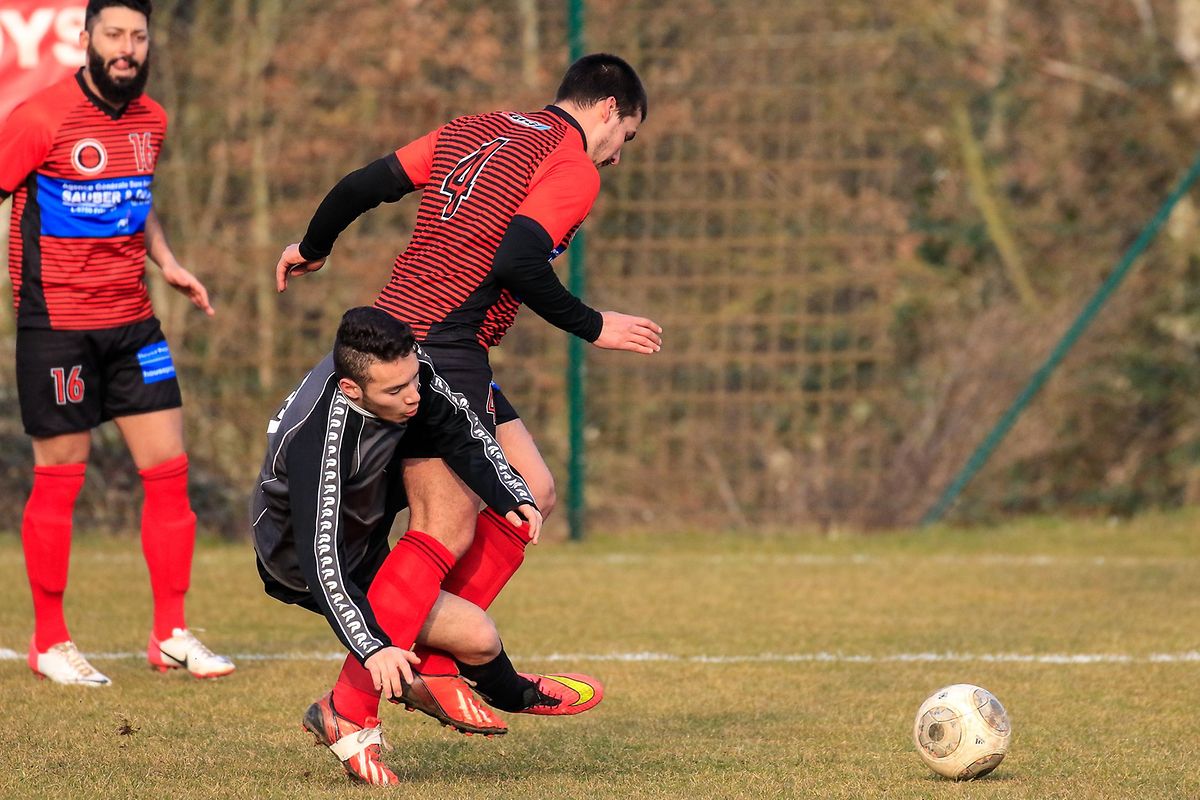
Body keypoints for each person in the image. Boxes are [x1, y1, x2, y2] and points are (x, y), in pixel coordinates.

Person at [273, 54, 662, 724]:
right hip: (444, 345)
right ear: (607, 109)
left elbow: (364, 183)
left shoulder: (476, 128)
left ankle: (444, 659)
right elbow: (516, 260)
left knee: (532, 490)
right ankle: (348, 705)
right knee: (442, 528)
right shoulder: (570, 165)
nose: (617, 157)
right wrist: (592, 325)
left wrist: (314, 244)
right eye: (624, 137)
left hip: (403, 331)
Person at [252, 307, 604, 786]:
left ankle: (463, 686)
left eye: (413, 380)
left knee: (479, 636)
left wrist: (511, 494)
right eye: (395, 391)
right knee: (470, 635)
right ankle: (354, 713)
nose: (413, 395)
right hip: (301, 561)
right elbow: (322, 560)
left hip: (366, 542)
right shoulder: (319, 443)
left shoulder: (408, 371)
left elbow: (461, 432)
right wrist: (373, 647)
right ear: (352, 389)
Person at [0, 0, 233, 685]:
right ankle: (49, 641)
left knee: (168, 472)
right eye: (114, 35)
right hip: (58, 327)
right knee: (61, 478)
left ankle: (171, 634)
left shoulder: (152, 119)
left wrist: (169, 263)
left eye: (137, 36)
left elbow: (138, 197)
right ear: (88, 39)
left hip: (133, 322)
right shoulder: (38, 118)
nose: (126, 48)